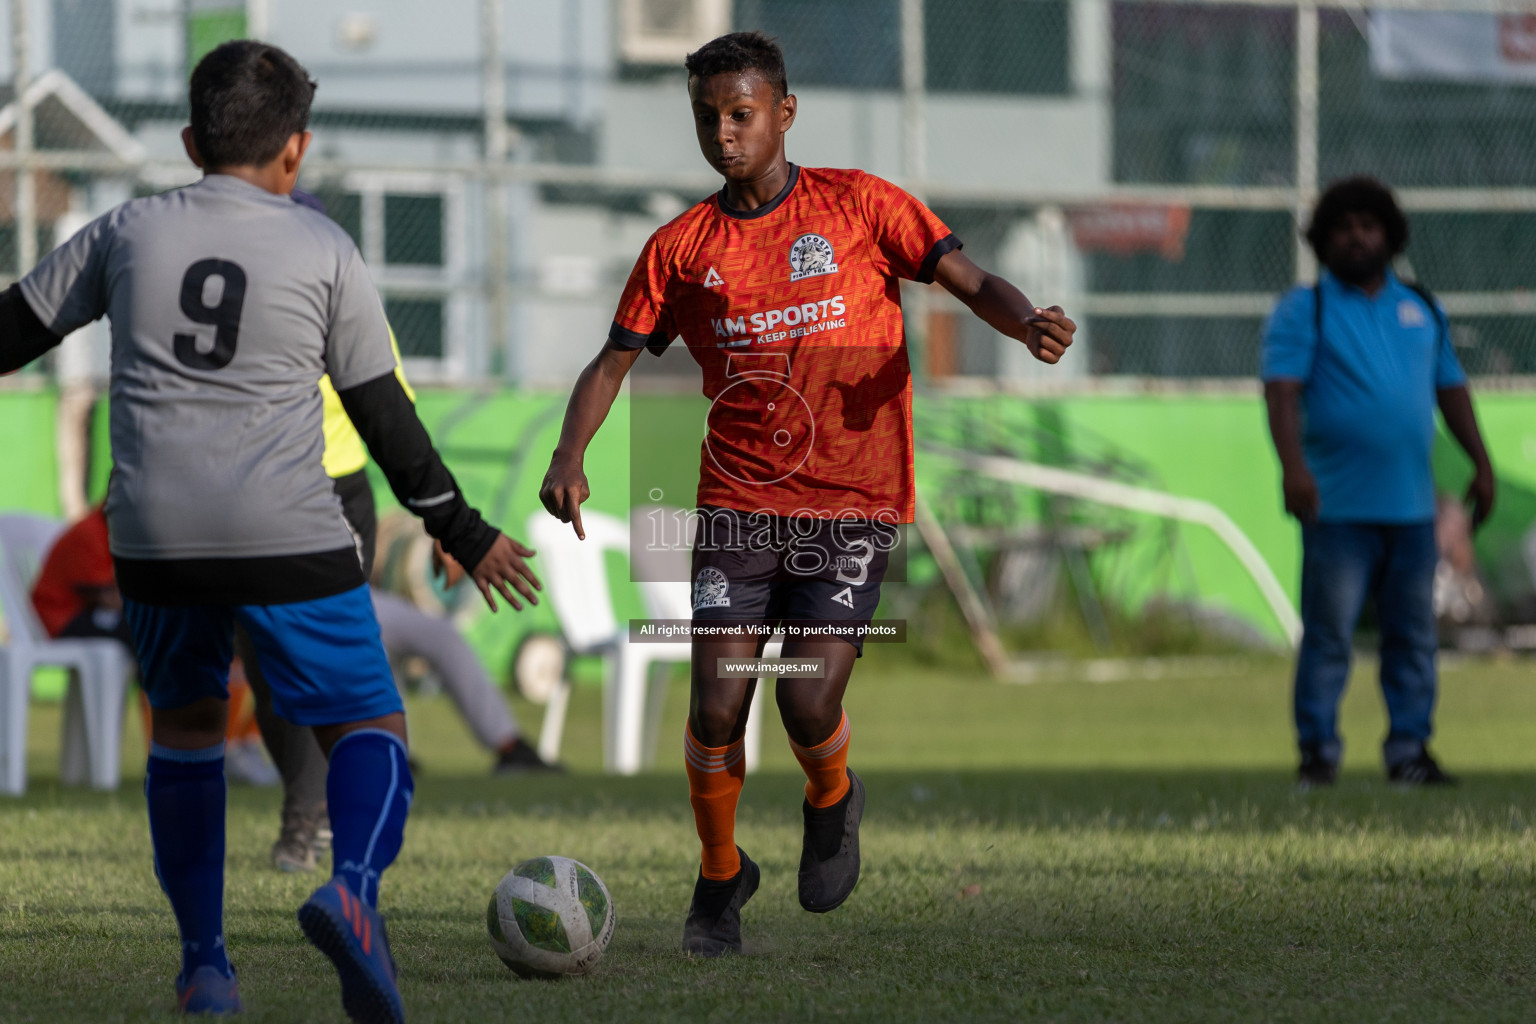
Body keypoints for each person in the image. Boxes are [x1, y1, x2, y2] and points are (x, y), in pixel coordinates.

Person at [0, 40, 541, 1020]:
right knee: (370, 723)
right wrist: (463, 530)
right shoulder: (324, 248)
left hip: (154, 538)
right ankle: (355, 890)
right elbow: (386, 419)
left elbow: (9, 333)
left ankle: (206, 965)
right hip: (288, 529)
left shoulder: (125, 230)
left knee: (190, 730)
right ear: (296, 152)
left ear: (188, 140)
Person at [538, 31, 1074, 956]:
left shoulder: (860, 206)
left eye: (740, 113)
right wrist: (569, 453)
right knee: (716, 707)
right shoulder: (681, 248)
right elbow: (613, 358)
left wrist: (1024, 321)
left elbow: (969, 276)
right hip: (736, 504)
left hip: (852, 505)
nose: (723, 132)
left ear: (784, 113)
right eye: (707, 116)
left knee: (807, 701)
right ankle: (719, 879)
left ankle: (832, 796)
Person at [256, 192, 556, 876]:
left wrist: (448, 528)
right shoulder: (249, 304)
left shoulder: (345, 294)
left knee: (323, 655)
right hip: (250, 497)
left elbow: (394, 424)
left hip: (334, 497)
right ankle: (322, 805)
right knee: (274, 662)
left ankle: (328, 823)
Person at [1262, 176, 1494, 789]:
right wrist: (1293, 467)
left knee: (1413, 638)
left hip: (1413, 511)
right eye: (1344, 227)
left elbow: (1451, 390)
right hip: (1336, 509)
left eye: (1369, 225)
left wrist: (1482, 462)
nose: (1357, 237)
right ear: (1323, 240)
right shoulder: (1305, 308)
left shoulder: (1421, 306)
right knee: (1330, 636)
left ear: (1389, 234)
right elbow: (1281, 393)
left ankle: (1409, 752)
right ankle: (1318, 755)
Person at [31, 505, 279, 786]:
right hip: (66, 620)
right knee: (158, 644)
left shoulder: (126, 528)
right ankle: (168, 750)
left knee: (215, 635)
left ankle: (231, 745)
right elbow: (106, 597)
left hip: (106, 615)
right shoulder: (93, 533)